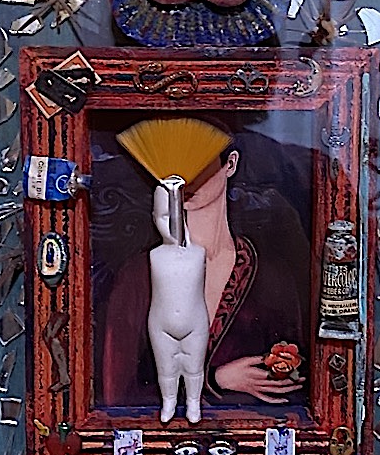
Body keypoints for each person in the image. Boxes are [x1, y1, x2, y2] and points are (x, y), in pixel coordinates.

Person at [100, 147, 308, 411]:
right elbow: (117, 397)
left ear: (230, 164)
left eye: (201, 164)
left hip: (251, 430)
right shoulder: (138, 274)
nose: (188, 178)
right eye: (179, 168)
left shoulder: (271, 274)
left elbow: (296, 381)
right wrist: (217, 380)